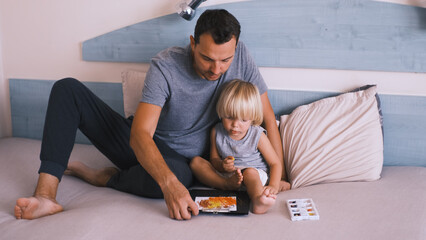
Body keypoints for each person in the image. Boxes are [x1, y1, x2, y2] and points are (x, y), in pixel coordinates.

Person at [14, 9, 287, 221]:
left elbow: (267, 116)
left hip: (192, 164)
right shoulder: (165, 65)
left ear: (235, 49)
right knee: (67, 89)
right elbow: (140, 134)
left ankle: (106, 177)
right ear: (193, 43)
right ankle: (46, 196)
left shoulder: (242, 57)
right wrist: (169, 185)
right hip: (146, 147)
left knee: (182, 173)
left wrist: (281, 177)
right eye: (207, 58)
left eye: (225, 60)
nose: (216, 69)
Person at [191, 79, 285, 214]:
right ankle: (226, 185)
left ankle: (258, 200)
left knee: (249, 173)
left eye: (243, 120)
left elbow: (275, 163)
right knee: (196, 162)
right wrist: (222, 165)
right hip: (228, 176)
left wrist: (274, 185)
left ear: (252, 118)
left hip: (254, 176)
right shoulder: (216, 131)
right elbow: (214, 160)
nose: (235, 124)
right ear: (222, 112)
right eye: (229, 117)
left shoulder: (257, 135)